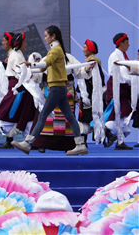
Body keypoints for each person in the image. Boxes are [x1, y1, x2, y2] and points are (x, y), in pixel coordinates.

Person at [12, 26, 90, 156]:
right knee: (70, 117)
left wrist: (31, 64)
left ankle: (27, 143)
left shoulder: (56, 50)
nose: (45, 38)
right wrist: (27, 69)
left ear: (53, 36)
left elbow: (45, 64)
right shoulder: (56, 50)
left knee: (43, 116)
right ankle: (80, 145)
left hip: (56, 88)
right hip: (60, 88)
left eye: (46, 36)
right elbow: (42, 68)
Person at [0, 32, 34, 149]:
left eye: (4, 40)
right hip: (17, 86)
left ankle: (28, 139)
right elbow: (19, 73)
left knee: (16, 111)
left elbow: (19, 72)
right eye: (25, 42)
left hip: (17, 86)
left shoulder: (16, 54)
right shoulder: (16, 55)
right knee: (10, 110)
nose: (26, 44)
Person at [104, 33, 134, 150]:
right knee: (119, 112)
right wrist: (132, 73)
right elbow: (123, 74)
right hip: (117, 86)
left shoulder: (121, 55)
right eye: (127, 43)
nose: (129, 45)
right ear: (121, 43)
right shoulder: (115, 55)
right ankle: (106, 128)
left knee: (123, 114)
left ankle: (120, 141)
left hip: (122, 86)